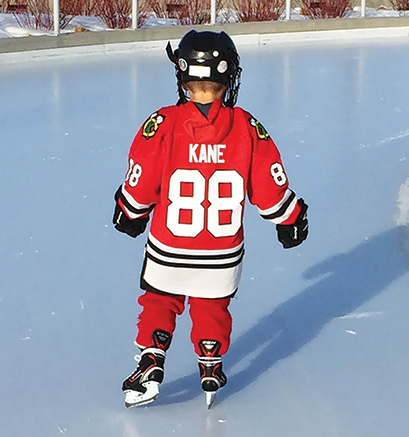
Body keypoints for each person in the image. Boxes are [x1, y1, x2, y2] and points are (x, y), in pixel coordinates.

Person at [112, 29, 309, 408]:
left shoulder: (163, 123)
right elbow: (270, 191)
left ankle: (151, 359)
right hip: (220, 252)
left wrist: (129, 210)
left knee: (159, 300)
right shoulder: (248, 127)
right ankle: (210, 363)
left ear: (182, 75)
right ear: (229, 77)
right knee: (211, 306)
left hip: (169, 247)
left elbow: (141, 182)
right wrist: (291, 216)